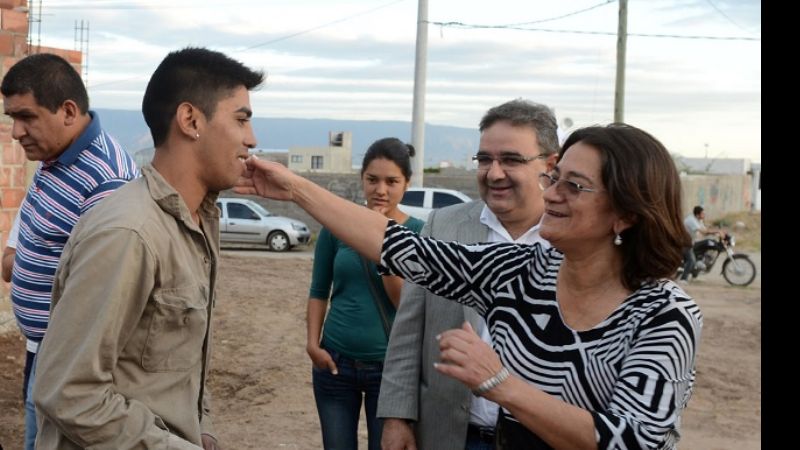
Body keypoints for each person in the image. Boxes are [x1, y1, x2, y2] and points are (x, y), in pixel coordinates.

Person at [236, 123, 701, 450]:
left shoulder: (664, 314)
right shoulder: (521, 271)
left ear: (627, 214)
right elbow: (403, 249)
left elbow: (632, 439)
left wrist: (501, 384)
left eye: (574, 186)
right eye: (555, 178)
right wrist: (295, 189)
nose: (551, 193)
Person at [31, 47, 263, 450]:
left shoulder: (196, 220)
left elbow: (173, 363)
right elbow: (68, 392)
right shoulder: (128, 233)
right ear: (190, 120)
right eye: (241, 119)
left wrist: (200, 427)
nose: (251, 139)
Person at [377, 99, 558, 450]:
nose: (494, 173)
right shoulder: (443, 226)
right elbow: (408, 330)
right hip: (449, 434)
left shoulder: (569, 240)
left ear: (549, 166)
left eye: (511, 160)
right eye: (485, 159)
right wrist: (396, 417)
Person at [1, 52, 139, 450]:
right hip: (42, 348)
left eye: (26, 117)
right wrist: (16, 255)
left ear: (67, 111)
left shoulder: (106, 181)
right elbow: (32, 214)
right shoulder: (55, 156)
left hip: (69, 362)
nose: (16, 132)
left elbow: (101, 290)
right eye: (12, 118)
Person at [308, 137, 424, 450]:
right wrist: (312, 344)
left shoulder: (419, 232)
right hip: (335, 362)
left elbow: (404, 302)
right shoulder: (337, 226)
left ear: (407, 183)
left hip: (390, 369)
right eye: (372, 180)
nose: (380, 190)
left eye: (391, 181)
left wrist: (383, 239)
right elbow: (319, 290)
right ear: (362, 179)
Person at [680, 205, 723, 281]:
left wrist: (716, 233)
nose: (704, 215)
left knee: (698, 256)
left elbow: (705, 231)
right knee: (691, 260)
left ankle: (694, 276)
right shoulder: (691, 220)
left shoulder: (698, 220)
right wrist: (717, 231)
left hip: (690, 242)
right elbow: (703, 231)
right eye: (703, 214)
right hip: (684, 243)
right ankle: (683, 279)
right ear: (697, 215)